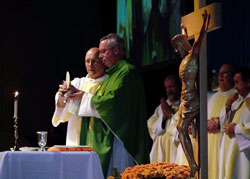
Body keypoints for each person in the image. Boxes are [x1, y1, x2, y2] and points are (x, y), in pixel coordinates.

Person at [80, 33, 149, 176]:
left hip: (121, 138)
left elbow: (112, 102)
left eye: (104, 52)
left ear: (116, 50)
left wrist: (84, 97)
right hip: (113, 134)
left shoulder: (127, 72)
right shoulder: (112, 74)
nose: (101, 56)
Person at [51, 47, 111, 176]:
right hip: (76, 140)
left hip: (102, 140)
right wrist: (62, 96)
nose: (90, 65)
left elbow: (109, 108)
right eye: (87, 61)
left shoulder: (110, 83)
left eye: (94, 61)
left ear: (103, 62)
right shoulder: (78, 82)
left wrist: (83, 97)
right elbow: (62, 107)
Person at [171, 10, 209, 176]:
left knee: (182, 128)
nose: (176, 51)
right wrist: (185, 32)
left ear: (182, 46)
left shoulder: (192, 56)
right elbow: (190, 42)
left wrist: (205, 24)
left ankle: (193, 164)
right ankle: (192, 163)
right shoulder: (184, 60)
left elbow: (199, 39)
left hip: (192, 97)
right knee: (180, 128)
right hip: (184, 98)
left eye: (177, 47)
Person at [218, 67, 250, 179]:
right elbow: (223, 124)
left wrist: (236, 129)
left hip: (245, 155)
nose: (235, 87)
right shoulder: (238, 101)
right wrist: (227, 106)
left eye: (237, 82)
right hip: (231, 152)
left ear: (248, 82)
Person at [207, 64, 236, 179]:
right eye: (219, 74)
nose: (221, 76)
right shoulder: (212, 97)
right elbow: (206, 119)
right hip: (210, 141)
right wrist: (207, 123)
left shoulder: (236, 95)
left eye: (225, 73)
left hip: (225, 141)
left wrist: (218, 122)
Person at [147, 74, 180, 163]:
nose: (168, 90)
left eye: (171, 86)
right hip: (162, 151)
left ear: (179, 86)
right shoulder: (160, 108)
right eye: (166, 88)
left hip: (175, 149)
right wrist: (163, 118)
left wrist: (171, 115)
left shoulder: (184, 106)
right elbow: (151, 128)